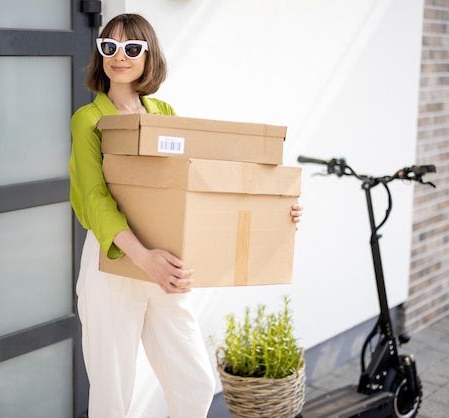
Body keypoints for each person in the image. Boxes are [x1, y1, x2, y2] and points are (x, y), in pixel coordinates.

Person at [68, 13, 303, 418]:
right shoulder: (89, 119)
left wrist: (275, 210)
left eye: (131, 48)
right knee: (112, 394)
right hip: (116, 263)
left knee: (194, 383)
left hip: (166, 263)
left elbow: (196, 185)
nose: (118, 56)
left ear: (148, 55)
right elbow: (94, 199)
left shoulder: (163, 112)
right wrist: (144, 258)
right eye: (109, 47)